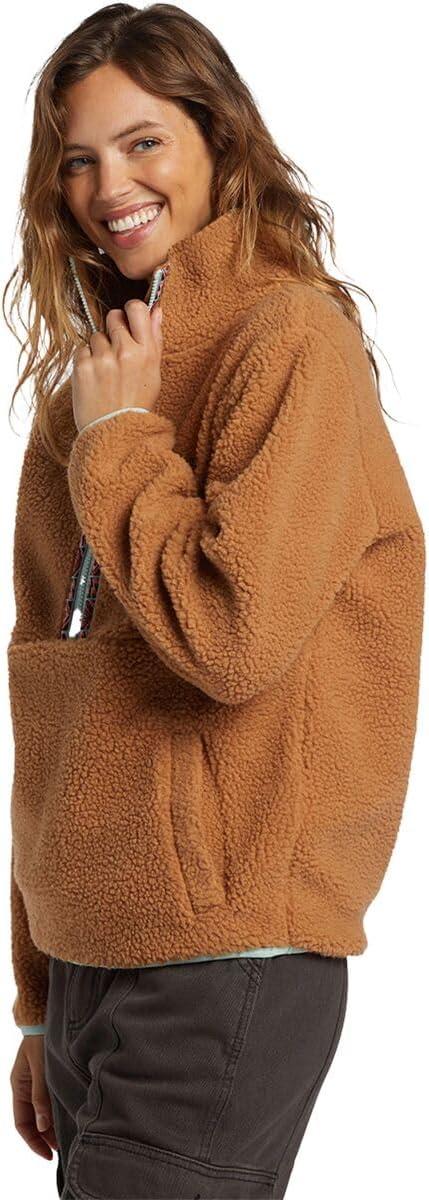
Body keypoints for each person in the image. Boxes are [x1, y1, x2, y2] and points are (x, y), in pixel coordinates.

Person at [5, 5, 424, 1198]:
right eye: (78, 159)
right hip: (93, 960)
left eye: (144, 142)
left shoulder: (289, 342)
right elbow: (55, 707)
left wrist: (125, 440)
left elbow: (234, 641)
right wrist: (40, 997)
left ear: (221, 140)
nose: (108, 187)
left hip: (228, 953)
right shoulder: (93, 389)